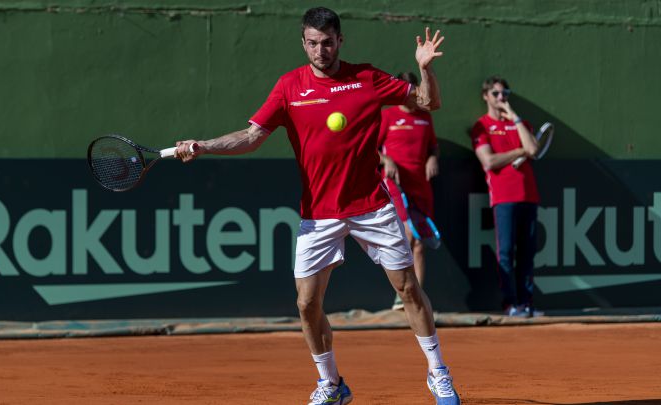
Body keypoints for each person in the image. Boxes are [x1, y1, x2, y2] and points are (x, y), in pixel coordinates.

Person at [174, 7, 461, 405]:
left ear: (340, 41)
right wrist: (204, 146)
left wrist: (425, 69)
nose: (320, 50)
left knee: (409, 289)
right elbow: (252, 136)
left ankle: (438, 373)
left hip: (371, 207)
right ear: (303, 43)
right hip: (318, 215)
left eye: (327, 42)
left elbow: (429, 103)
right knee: (307, 303)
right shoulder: (289, 86)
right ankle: (332, 384)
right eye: (313, 43)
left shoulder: (368, 77)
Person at [469, 75, 542, 318]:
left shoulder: (521, 124)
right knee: (506, 253)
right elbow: (488, 161)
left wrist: (514, 116)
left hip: (529, 197)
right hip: (503, 198)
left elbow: (533, 149)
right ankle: (510, 304)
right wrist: (519, 152)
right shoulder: (482, 126)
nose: (501, 98)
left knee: (527, 254)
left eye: (505, 94)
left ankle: (527, 303)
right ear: (486, 96)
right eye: (497, 94)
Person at [378, 71, 440, 311]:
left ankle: (416, 299)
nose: (411, 95)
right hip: (395, 185)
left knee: (420, 244)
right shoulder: (387, 116)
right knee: (408, 236)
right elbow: (371, 150)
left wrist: (433, 159)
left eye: (413, 90)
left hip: (421, 186)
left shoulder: (425, 117)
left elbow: (434, 148)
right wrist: (387, 160)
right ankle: (404, 294)